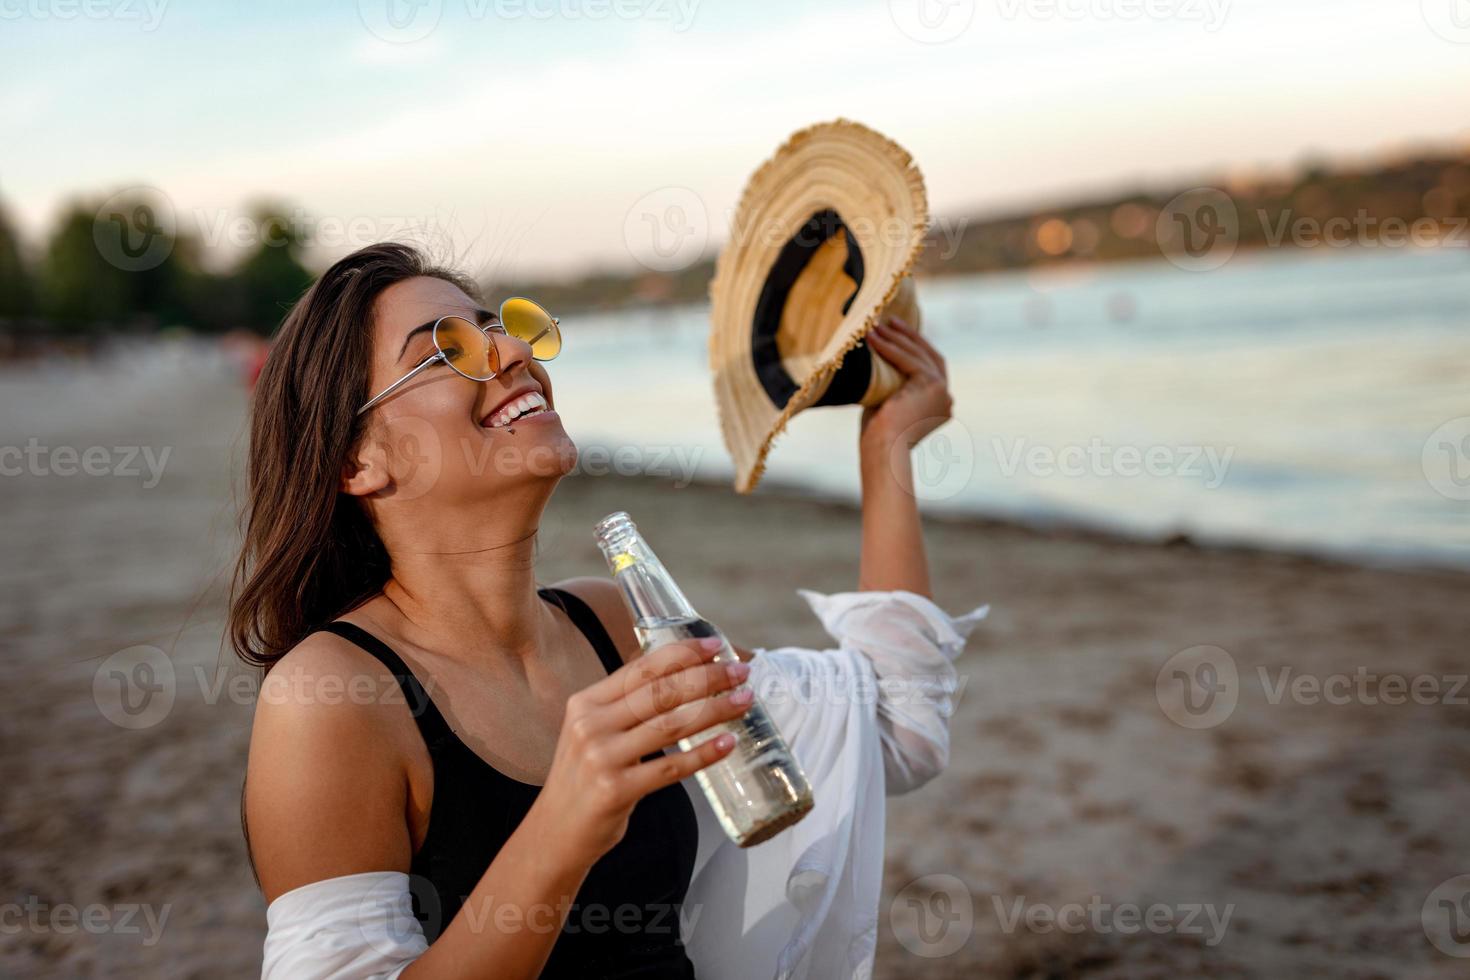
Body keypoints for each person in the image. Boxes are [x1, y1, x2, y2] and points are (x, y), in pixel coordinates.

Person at [234, 242, 985, 979]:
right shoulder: (331, 698)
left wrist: (888, 445)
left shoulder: (615, 627)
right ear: (356, 462)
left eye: (501, 327)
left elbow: (889, 724)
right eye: (446, 351)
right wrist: (563, 824)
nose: (509, 354)